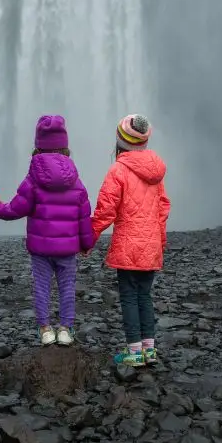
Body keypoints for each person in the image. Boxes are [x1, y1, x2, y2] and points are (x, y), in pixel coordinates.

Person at [0, 115, 95, 346]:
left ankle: (46, 329)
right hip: (67, 249)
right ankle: (65, 329)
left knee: (41, 287)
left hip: (40, 249)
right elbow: (83, 215)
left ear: (38, 146)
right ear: (66, 147)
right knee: (67, 286)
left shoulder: (33, 179)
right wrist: (87, 244)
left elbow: (16, 208)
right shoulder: (76, 181)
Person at [86, 114, 171, 367]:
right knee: (145, 296)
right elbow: (163, 208)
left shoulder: (118, 170)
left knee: (129, 297)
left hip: (128, 246)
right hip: (151, 245)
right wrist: (160, 240)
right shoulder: (156, 172)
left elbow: (105, 210)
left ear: (120, 142)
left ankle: (134, 352)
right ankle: (150, 351)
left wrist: (89, 238)